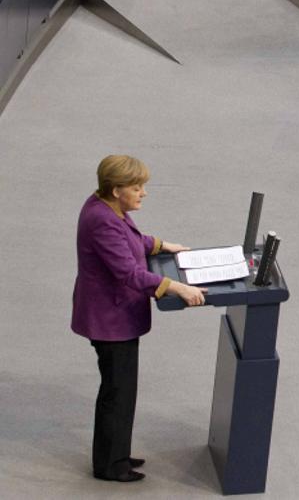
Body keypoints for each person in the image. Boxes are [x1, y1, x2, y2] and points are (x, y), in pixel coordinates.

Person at [72, 155, 206, 483]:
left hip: (116, 316)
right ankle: (110, 465)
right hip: (110, 320)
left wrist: (161, 245)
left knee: (122, 390)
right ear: (116, 190)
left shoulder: (105, 207)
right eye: (137, 187)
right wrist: (176, 287)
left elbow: (129, 241)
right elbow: (127, 271)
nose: (143, 192)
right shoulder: (101, 219)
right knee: (117, 392)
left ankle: (117, 453)